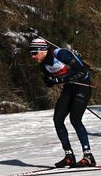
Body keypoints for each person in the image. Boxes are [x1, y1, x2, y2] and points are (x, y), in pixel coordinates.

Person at [28, 38, 97, 168]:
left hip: (82, 86)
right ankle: (69, 156)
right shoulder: (43, 64)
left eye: (34, 53)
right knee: (58, 119)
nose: (32, 56)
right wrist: (50, 81)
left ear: (43, 50)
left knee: (75, 119)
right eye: (31, 53)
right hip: (69, 88)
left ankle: (88, 156)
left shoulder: (60, 54)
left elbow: (82, 71)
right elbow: (50, 81)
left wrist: (60, 79)